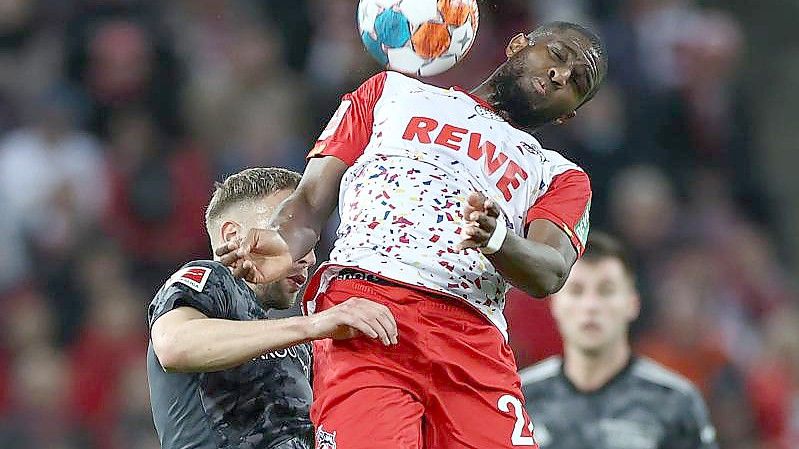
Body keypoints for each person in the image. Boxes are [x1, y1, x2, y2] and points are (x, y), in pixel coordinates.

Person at [218, 21, 608, 448]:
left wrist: (497, 239)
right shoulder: (390, 92)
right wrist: (280, 240)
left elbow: (550, 272)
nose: (561, 75)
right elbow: (311, 199)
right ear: (518, 45)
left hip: (472, 339)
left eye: (578, 80)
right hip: (367, 314)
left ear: (571, 112)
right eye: (557, 55)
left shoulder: (560, 176)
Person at [147, 167, 398, 449]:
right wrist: (312, 326)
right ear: (232, 235)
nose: (309, 257)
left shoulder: (293, 337)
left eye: (308, 240)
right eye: (286, 230)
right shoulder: (211, 281)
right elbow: (174, 344)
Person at [519, 232, 718, 449]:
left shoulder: (675, 401)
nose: (591, 306)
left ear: (632, 303)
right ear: (554, 304)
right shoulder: (520, 397)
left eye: (606, 291)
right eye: (577, 291)